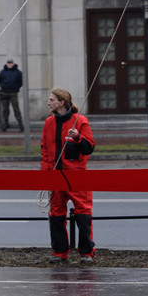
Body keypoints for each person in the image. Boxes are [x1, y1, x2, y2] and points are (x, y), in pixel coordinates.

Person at [40, 89, 95, 263]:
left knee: (83, 213)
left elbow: (89, 148)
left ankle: (86, 253)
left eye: (51, 100)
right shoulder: (49, 123)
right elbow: (44, 150)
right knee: (55, 214)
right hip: (55, 176)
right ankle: (59, 252)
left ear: (61, 102)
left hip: (76, 176)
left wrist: (77, 137)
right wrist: (45, 175)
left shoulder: (80, 121)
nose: (49, 103)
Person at [0, 58, 24, 131]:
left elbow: (21, 81)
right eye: (8, 63)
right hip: (4, 92)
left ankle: (20, 123)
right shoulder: (2, 72)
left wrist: (16, 88)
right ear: (7, 64)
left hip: (13, 93)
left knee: (16, 108)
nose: (9, 64)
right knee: (5, 109)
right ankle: (6, 123)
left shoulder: (18, 72)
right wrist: (3, 86)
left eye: (11, 63)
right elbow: (0, 80)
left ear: (13, 64)